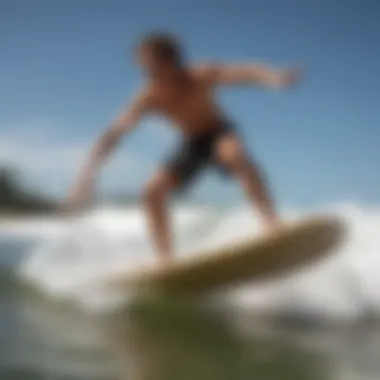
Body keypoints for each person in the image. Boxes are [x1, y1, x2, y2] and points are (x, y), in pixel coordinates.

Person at [65, 32, 301, 262]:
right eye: (142, 65)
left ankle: (272, 225)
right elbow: (115, 132)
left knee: (233, 154)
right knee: (153, 190)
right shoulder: (149, 96)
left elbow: (243, 72)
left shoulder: (198, 74)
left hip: (219, 132)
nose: (143, 70)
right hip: (191, 143)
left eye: (148, 63)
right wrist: (87, 175)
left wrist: (273, 78)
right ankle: (165, 260)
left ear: (169, 60)